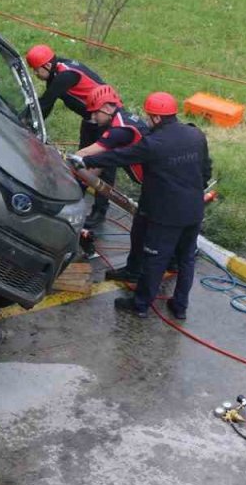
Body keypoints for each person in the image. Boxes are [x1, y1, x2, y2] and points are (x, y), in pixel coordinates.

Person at [70, 92, 212, 320]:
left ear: (156, 118)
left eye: (149, 117)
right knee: (185, 259)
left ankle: (141, 304)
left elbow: (119, 157)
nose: (147, 120)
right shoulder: (195, 134)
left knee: (155, 258)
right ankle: (180, 306)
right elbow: (206, 170)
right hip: (193, 209)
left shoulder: (153, 143)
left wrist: (85, 161)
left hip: (165, 214)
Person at [25, 44, 114, 228]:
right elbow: (46, 106)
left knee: (104, 166)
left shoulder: (65, 76)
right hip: (90, 118)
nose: (36, 75)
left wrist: (24, 120)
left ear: (47, 66)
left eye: (36, 71)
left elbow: (46, 102)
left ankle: (100, 211)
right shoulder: (57, 72)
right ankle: (75, 197)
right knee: (83, 161)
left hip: (107, 122)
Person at [70, 85, 151, 279]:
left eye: (95, 113)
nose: (93, 118)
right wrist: (79, 182)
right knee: (145, 226)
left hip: (160, 182)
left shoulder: (119, 130)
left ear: (107, 108)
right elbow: (99, 164)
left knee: (148, 228)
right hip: (154, 179)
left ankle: (141, 272)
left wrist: (64, 164)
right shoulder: (121, 122)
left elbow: (87, 154)